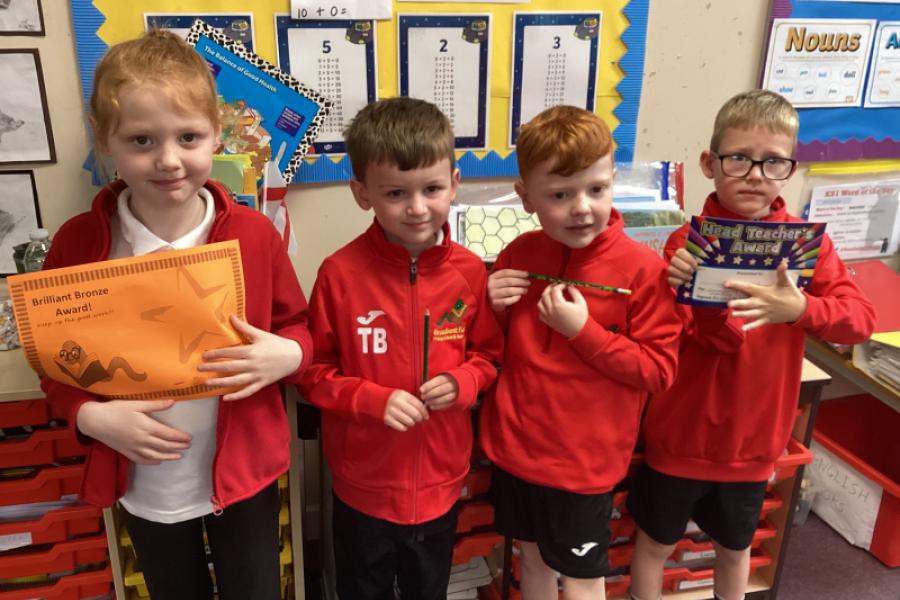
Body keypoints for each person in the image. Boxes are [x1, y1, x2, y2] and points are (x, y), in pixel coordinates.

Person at [40, 30, 312, 600]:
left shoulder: (253, 235)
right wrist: (89, 417)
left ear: (216, 133)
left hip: (242, 472)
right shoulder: (81, 243)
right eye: (141, 140)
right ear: (105, 139)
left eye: (188, 137)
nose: (168, 160)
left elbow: (297, 327)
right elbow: (56, 361)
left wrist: (288, 354)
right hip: (145, 478)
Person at [627, 90, 876, 600]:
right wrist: (697, 297)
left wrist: (802, 309)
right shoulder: (685, 244)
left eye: (773, 162)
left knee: (735, 548)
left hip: (754, 440)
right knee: (654, 543)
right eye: (739, 158)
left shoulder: (808, 245)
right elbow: (693, 339)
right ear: (710, 164)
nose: (755, 175)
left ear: (790, 169)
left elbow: (860, 322)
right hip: (682, 435)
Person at [299, 97, 503, 599]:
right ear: (362, 193)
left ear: (454, 183)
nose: (416, 208)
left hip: (441, 483)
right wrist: (372, 400)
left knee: (427, 590)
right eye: (395, 193)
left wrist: (463, 382)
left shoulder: (470, 272)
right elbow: (312, 372)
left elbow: (490, 357)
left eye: (432, 189)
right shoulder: (339, 274)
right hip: (362, 487)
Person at [481, 105, 682, 600]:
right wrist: (493, 307)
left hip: (582, 465)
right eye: (560, 195)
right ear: (526, 197)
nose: (582, 208)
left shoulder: (643, 272)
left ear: (613, 180)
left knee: (581, 576)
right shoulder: (519, 254)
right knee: (531, 558)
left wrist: (583, 332)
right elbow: (497, 347)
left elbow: (658, 371)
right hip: (516, 450)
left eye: (596, 189)